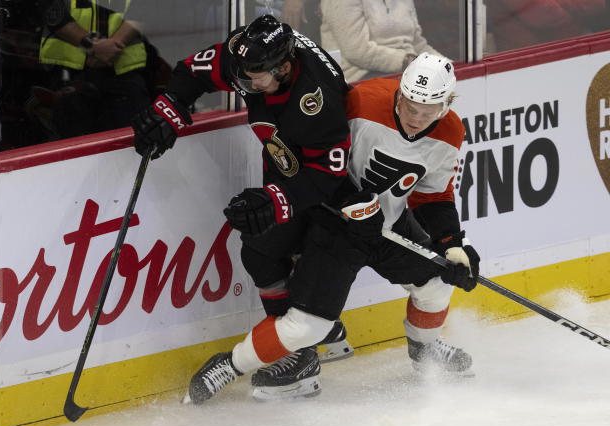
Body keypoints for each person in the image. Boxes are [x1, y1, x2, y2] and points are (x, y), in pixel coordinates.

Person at [185, 52, 481, 405]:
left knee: (436, 286)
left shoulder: (451, 132)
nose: (415, 117)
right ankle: (229, 366)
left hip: (391, 225)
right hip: (335, 229)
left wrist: (451, 245)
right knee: (308, 326)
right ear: (399, 91)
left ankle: (425, 351)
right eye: (409, 105)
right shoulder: (362, 102)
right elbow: (316, 158)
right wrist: (349, 201)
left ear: (446, 104)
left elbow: (433, 196)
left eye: (427, 110)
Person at [131, 15, 354, 401]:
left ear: (285, 68)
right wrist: (170, 106)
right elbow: (195, 70)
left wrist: (277, 200)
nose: (246, 85)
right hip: (287, 165)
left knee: (307, 255)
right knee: (261, 248)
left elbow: (328, 175)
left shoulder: (317, 99)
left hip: (339, 191)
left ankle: (307, 345)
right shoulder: (249, 60)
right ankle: (307, 344)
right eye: (244, 74)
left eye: (257, 78)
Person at [35, 0, 152, 139]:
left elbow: (145, 7)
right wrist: (93, 46)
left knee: (134, 144)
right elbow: (51, 11)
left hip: (123, 76)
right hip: (69, 76)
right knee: (73, 150)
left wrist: (105, 48)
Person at [320, 0, 442, 82]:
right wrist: (407, 61)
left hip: (407, 69)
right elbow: (358, 51)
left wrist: (448, 65)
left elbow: (418, 44)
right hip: (360, 76)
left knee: (446, 81)